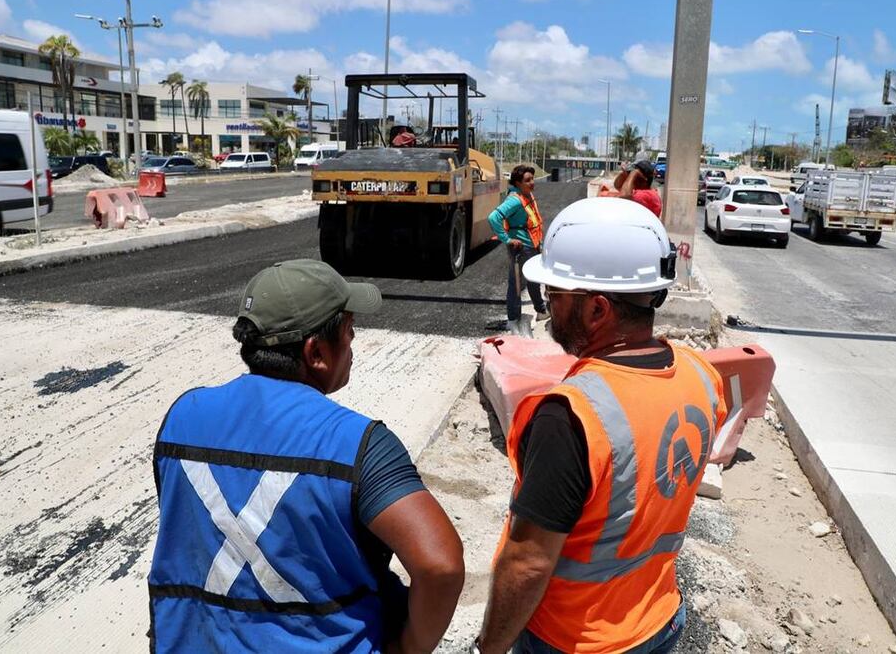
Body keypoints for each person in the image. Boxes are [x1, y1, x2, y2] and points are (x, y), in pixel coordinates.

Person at [148, 259, 464, 653]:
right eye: (349, 333)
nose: (353, 347)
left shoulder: (182, 417)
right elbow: (441, 566)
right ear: (316, 352)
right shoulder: (358, 443)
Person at [475, 198, 728, 654]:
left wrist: (487, 648)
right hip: (659, 619)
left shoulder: (570, 417)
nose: (548, 305)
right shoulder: (700, 375)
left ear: (596, 311)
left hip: (575, 639)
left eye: (555, 294)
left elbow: (528, 563)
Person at [488, 165, 549, 335]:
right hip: (521, 247)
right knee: (516, 284)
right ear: (517, 183)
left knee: (534, 280)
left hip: (533, 244)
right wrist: (507, 239)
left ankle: (541, 310)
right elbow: (494, 218)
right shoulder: (515, 199)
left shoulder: (527, 195)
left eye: (532, 179)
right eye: (527, 180)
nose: (532, 183)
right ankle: (513, 320)